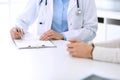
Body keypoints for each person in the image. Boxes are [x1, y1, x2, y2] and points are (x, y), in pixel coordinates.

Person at [10, 0, 98, 42]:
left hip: (76, 49)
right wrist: (18, 30)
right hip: (46, 48)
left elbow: (91, 30)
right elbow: (23, 20)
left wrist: (63, 36)